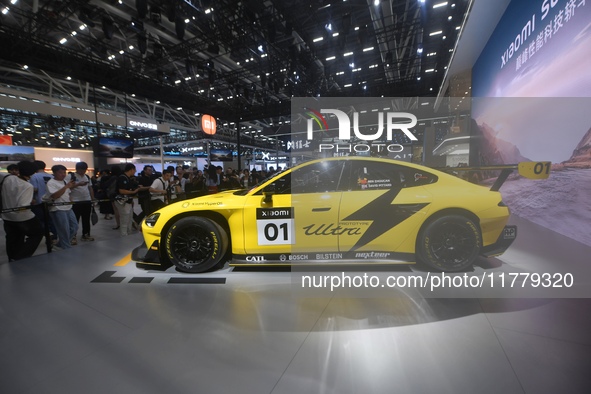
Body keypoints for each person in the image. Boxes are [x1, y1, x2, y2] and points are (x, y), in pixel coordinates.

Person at [1, 161, 44, 261]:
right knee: (37, 233)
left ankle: (11, 258)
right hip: (22, 217)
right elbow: (23, 206)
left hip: (7, 215)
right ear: (33, 172)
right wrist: (31, 201)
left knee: (13, 238)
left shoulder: (8, 178)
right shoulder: (27, 186)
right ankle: (20, 257)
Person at [46, 165, 78, 249]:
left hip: (68, 207)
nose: (63, 174)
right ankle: (66, 248)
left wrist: (70, 196)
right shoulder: (51, 183)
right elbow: (55, 196)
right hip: (58, 208)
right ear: (54, 173)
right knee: (64, 230)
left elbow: (67, 192)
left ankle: (61, 244)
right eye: (60, 172)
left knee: (74, 227)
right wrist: (66, 187)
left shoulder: (64, 181)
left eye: (64, 172)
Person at [66, 162, 95, 243]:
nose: (82, 172)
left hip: (86, 200)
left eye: (84, 170)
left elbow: (90, 188)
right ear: (77, 169)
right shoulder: (71, 176)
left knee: (86, 219)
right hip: (75, 201)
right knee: (75, 220)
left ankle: (86, 234)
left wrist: (92, 199)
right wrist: (78, 184)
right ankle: (73, 236)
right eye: (81, 170)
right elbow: (67, 187)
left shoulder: (87, 177)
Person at [115, 163, 140, 236]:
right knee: (125, 219)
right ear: (131, 169)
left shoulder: (128, 178)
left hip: (128, 201)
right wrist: (133, 192)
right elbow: (121, 190)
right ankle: (124, 235)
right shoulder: (122, 178)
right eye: (134, 170)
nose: (135, 172)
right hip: (123, 202)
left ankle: (128, 234)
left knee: (129, 218)